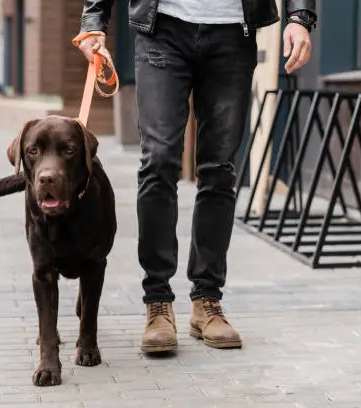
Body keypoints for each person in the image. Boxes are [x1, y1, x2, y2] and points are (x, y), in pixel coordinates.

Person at [77, 0, 317, 353]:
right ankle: (157, 301)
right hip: (163, 28)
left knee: (219, 169)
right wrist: (94, 18)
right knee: (158, 161)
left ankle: (207, 300)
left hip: (234, 31)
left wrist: (300, 18)